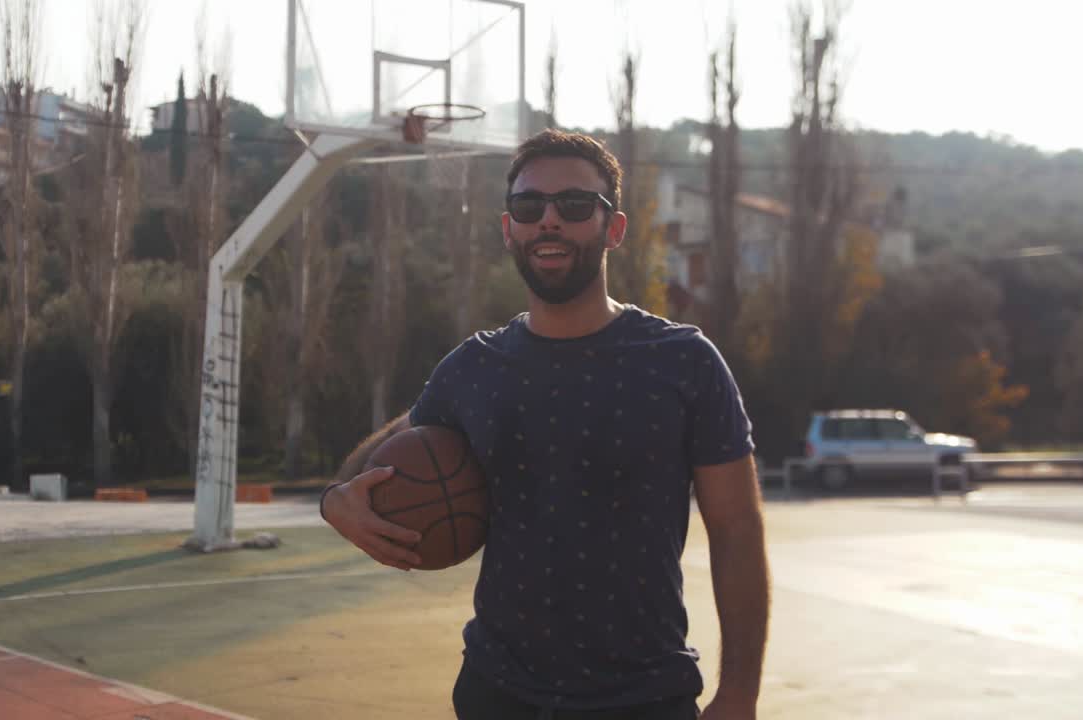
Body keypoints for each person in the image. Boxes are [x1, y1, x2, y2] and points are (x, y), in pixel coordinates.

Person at [321, 129, 769, 720]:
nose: (549, 221)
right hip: (497, 694)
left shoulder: (683, 361)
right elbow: (378, 464)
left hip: (645, 698)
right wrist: (336, 501)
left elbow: (736, 531)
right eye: (529, 207)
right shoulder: (473, 369)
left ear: (614, 228)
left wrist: (738, 694)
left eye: (575, 205)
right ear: (510, 229)